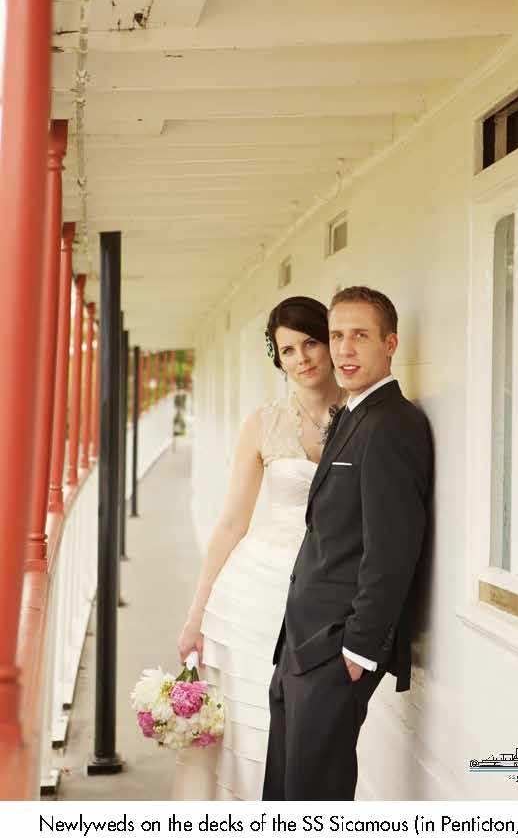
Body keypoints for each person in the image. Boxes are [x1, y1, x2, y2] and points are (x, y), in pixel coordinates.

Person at [262, 285, 433, 801]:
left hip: (336, 650)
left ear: (390, 343)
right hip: (300, 643)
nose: (344, 349)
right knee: (284, 793)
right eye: (336, 336)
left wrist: (358, 648)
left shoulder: (393, 424)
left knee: (314, 799)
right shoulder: (354, 413)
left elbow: (392, 548)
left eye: (360, 335)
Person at [175, 296, 345, 800]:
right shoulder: (263, 424)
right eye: (287, 350)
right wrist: (195, 615)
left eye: (311, 343)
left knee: (304, 736)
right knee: (249, 733)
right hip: (252, 598)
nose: (302, 359)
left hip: (323, 594)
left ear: (329, 342)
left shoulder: (361, 417)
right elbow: (232, 523)